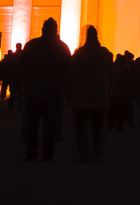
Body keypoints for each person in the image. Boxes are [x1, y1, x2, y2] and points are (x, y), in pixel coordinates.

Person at [19, 18, 71, 161]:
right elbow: (68, 70)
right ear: (56, 31)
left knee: (32, 124)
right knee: (50, 125)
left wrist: (26, 84)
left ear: (42, 29)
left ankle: (31, 152)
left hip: (34, 91)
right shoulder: (62, 47)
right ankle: (48, 153)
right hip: (53, 93)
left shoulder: (31, 45)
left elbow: (21, 67)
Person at [66, 25, 112, 162]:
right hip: (99, 96)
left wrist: (68, 90)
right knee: (98, 128)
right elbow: (111, 74)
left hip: (81, 96)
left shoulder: (79, 53)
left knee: (81, 128)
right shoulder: (105, 53)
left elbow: (71, 75)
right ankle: (98, 155)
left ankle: (82, 154)